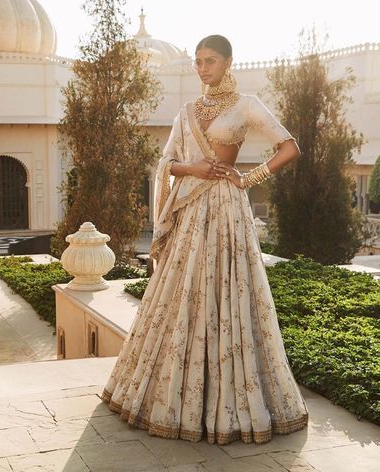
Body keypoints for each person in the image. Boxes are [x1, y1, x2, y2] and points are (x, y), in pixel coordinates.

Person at [101, 34, 309, 445]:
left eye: (210, 60)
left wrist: (249, 178)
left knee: (229, 294)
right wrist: (191, 168)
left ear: (229, 62)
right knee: (184, 295)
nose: (202, 68)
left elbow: (289, 147)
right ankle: (178, 399)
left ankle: (231, 402)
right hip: (193, 211)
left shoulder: (246, 105)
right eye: (197, 61)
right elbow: (166, 164)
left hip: (228, 211)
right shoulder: (188, 111)